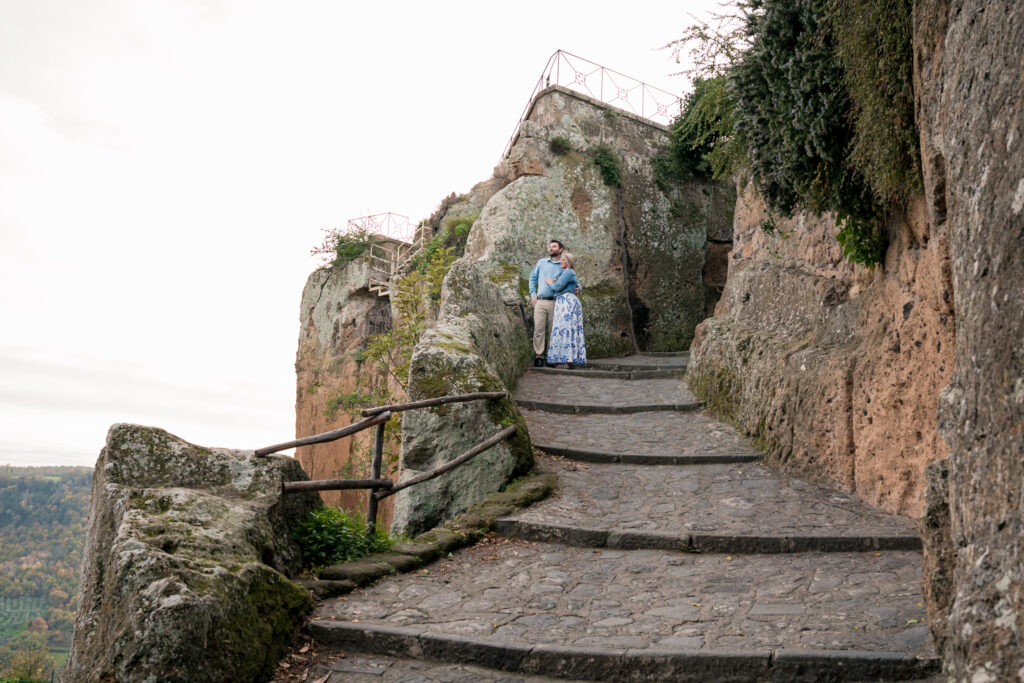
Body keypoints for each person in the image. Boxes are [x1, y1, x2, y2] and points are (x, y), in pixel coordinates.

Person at [529, 239, 579, 367]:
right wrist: (533, 295)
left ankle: (552, 358)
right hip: (540, 301)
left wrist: (579, 288)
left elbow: (574, 281)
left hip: (556, 302)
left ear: (560, 249)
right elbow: (533, 278)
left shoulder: (563, 266)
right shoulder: (542, 262)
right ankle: (539, 356)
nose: (551, 248)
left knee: (554, 331)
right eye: (550, 246)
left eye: (554, 246)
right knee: (538, 329)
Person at [544, 252, 586, 368]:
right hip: (564, 302)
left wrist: (549, 283)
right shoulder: (566, 272)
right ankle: (568, 359)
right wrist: (579, 288)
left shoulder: (568, 272)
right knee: (566, 329)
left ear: (568, 262)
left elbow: (557, 287)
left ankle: (568, 359)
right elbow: (578, 284)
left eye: (563, 260)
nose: (561, 262)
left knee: (564, 329)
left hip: (566, 303)